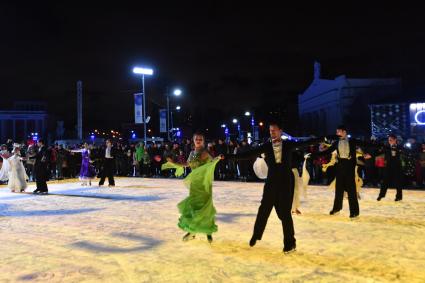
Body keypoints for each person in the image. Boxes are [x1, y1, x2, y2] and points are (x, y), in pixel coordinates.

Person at [226, 121, 324, 254]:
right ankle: (256, 235)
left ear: (280, 131)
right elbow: (249, 154)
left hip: (285, 182)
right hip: (271, 182)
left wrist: (321, 139)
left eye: (274, 130)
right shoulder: (266, 146)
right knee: (264, 209)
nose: (272, 133)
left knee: (285, 214)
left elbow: (304, 143)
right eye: (270, 131)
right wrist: (228, 157)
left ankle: (290, 244)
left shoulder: (288, 145)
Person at [162, 132, 222, 243]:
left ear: (203, 141)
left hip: (204, 183)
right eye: (196, 139)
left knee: (205, 208)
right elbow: (187, 164)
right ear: (193, 140)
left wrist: (218, 158)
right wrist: (174, 163)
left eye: (200, 139)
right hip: (195, 183)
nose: (198, 141)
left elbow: (212, 162)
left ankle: (208, 231)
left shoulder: (205, 153)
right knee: (194, 207)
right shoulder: (191, 153)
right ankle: (193, 231)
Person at [311, 125, 369, 219]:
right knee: (339, 190)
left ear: (344, 132)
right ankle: (336, 208)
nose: (337, 133)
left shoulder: (352, 141)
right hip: (340, 167)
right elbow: (327, 152)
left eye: (339, 131)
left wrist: (375, 149)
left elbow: (365, 144)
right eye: (337, 132)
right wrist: (314, 155)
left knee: (351, 191)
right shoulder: (336, 142)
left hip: (349, 167)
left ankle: (354, 212)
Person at [377, 134, 404, 201]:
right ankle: (381, 195)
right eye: (389, 140)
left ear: (395, 140)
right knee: (384, 182)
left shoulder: (400, 147)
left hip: (397, 167)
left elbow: (405, 153)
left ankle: (399, 197)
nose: (389, 141)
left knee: (398, 182)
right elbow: (378, 152)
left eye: (391, 140)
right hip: (388, 167)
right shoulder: (386, 147)